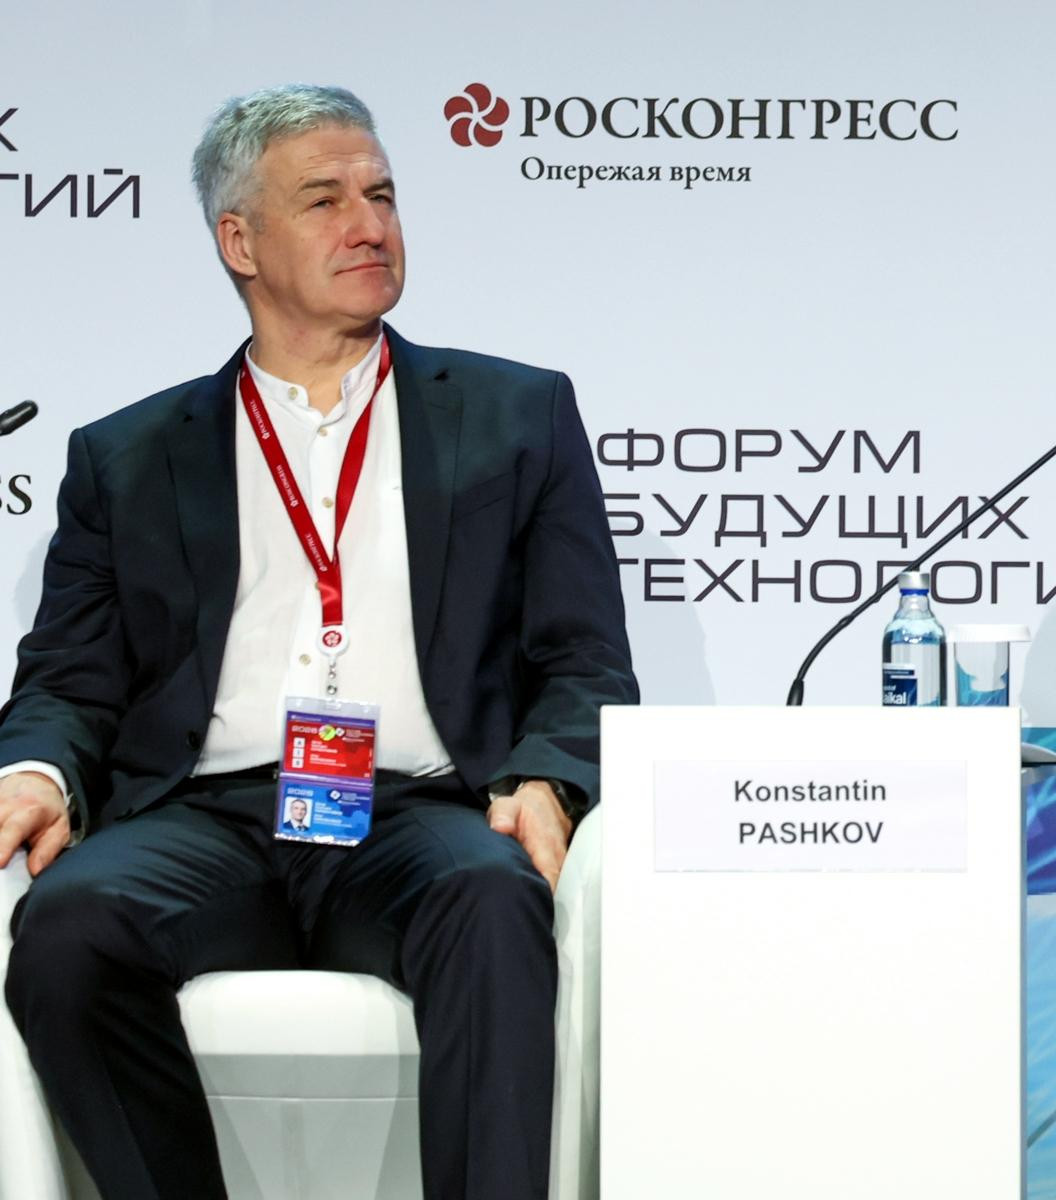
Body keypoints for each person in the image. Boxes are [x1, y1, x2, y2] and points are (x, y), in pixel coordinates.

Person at [0, 84, 637, 1199]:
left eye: (382, 195)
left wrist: (548, 779)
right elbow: (69, 676)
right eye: (325, 200)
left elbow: (584, 658)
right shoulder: (128, 455)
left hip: (421, 814)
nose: (369, 224)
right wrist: (38, 771)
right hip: (210, 817)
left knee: (493, 901)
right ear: (239, 242)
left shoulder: (516, 415)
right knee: (66, 929)